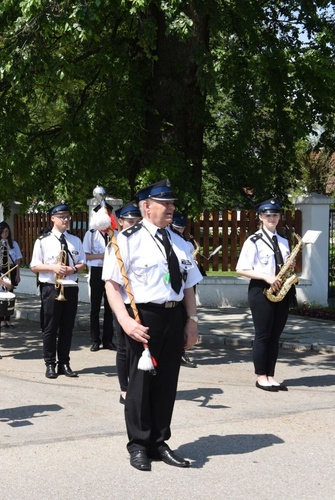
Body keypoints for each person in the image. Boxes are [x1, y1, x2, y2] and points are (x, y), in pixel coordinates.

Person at [102, 179, 201, 471]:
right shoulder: (126, 240)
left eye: (172, 204)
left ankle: (159, 441)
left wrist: (192, 322)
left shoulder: (181, 242)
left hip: (174, 316)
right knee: (141, 383)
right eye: (165, 204)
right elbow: (111, 285)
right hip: (143, 316)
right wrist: (125, 322)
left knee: (168, 381)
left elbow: (189, 287)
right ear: (147, 207)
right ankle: (139, 444)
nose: (171, 208)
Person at [236, 198, 294, 392]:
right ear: (260, 217)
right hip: (261, 289)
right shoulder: (253, 241)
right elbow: (241, 268)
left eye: (275, 215)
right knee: (263, 334)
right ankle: (261, 376)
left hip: (280, 289)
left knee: (275, 335)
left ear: (279, 217)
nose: (272, 219)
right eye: (268, 215)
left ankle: (271, 375)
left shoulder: (284, 240)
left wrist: (289, 267)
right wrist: (266, 277)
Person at [29, 204, 86, 379]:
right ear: (53, 218)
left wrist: (73, 270)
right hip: (51, 288)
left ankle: (64, 362)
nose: (66, 220)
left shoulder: (75, 240)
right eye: (62, 217)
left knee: (67, 328)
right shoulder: (43, 241)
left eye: (68, 216)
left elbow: (83, 263)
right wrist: (54, 267)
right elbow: (34, 266)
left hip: (70, 287)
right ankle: (50, 363)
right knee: (50, 328)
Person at [108, 201, 142, 405]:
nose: (135, 225)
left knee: (138, 348)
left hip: (141, 303)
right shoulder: (116, 243)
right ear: (120, 222)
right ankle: (125, 388)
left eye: (138, 221)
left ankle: (139, 384)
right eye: (131, 221)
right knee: (123, 347)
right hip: (123, 302)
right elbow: (112, 281)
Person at [84, 203, 114, 351]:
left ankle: (108, 339)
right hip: (97, 270)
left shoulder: (113, 233)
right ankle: (95, 340)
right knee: (95, 307)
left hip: (110, 272)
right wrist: (103, 255)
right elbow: (86, 256)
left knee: (110, 307)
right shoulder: (91, 233)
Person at [170, 213, 198, 369]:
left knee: (183, 319)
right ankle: (177, 353)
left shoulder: (187, 243)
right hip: (173, 287)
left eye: (181, 228)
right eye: (176, 227)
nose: (179, 230)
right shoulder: (170, 240)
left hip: (185, 284)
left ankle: (180, 352)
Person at [0, 221, 23, 328]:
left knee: (10, 295)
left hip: (12, 269)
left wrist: (18, 274)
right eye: (3, 232)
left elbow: (18, 259)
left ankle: (8, 319)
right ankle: (1, 319)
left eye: (7, 231)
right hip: (1, 269)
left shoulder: (14, 244)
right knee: (1, 294)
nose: (5, 233)